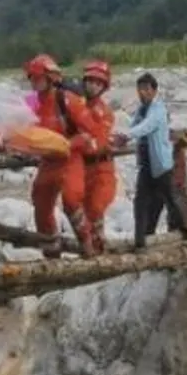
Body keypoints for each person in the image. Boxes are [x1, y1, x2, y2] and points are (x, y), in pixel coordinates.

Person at [23, 53, 100, 259]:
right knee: (40, 202)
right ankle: (51, 251)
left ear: (51, 78)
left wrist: (68, 144)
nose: (35, 82)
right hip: (48, 161)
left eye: (38, 78)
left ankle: (87, 243)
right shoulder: (31, 105)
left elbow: (89, 132)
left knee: (71, 200)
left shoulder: (68, 101)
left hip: (69, 159)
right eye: (32, 78)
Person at [112, 73, 187, 250]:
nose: (142, 92)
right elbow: (134, 127)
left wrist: (126, 135)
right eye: (140, 89)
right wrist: (122, 136)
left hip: (161, 165)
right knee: (140, 201)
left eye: (146, 89)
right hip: (146, 165)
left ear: (154, 91)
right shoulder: (141, 110)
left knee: (171, 199)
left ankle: (186, 231)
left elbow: (147, 126)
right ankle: (140, 239)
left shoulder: (158, 110)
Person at [79, 60, 117, 254]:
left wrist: (79, 144)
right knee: (85, 214)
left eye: (97, 83)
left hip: (102, 170)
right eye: (90, 81)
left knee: (95, 209)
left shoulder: (104, 113)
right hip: (84, 169)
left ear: (103, 87)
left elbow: (99, 142)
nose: (92, 86)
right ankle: (96, 248)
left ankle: (99, 249)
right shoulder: (78, 107)